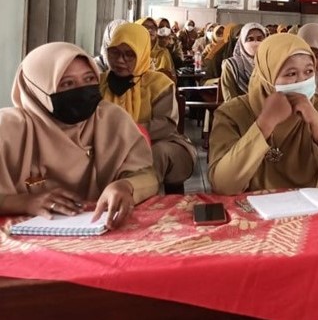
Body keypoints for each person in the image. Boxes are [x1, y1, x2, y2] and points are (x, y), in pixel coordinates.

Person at [0, 42, 158, 228]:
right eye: (67, 83)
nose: (82, 90)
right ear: (38, 89)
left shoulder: (111, 120)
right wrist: (25, 202)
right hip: (24, 240)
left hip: (101, 229)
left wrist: (126, 186)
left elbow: (147, 175)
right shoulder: (9, 129)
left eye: (89, 79)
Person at [208, 34, 318, 193]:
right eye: (291, 74)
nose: (301, 81)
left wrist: (317, 123)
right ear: (267, 76)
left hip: (307, 209)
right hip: (249, 210)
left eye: (308, 72)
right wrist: (264, 124)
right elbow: (224, 185)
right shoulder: (233, 114)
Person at [101, 23, 196, 194]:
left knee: (154, 154)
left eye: (129, 54)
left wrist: (125, 134)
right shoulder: (100, 84)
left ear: (142, 52)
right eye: (114, 53)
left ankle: (134, 193)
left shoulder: (159, 84)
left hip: (158, 142)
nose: (120, 60)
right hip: (108, 143)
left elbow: (165, 125)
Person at [221, 22, 266, 101]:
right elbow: (230, 98)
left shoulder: (270, 63)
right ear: (241, 42)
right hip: (241, 109)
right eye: (250, 39)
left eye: (259, 39)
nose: (255, 43)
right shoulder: (231, 65)